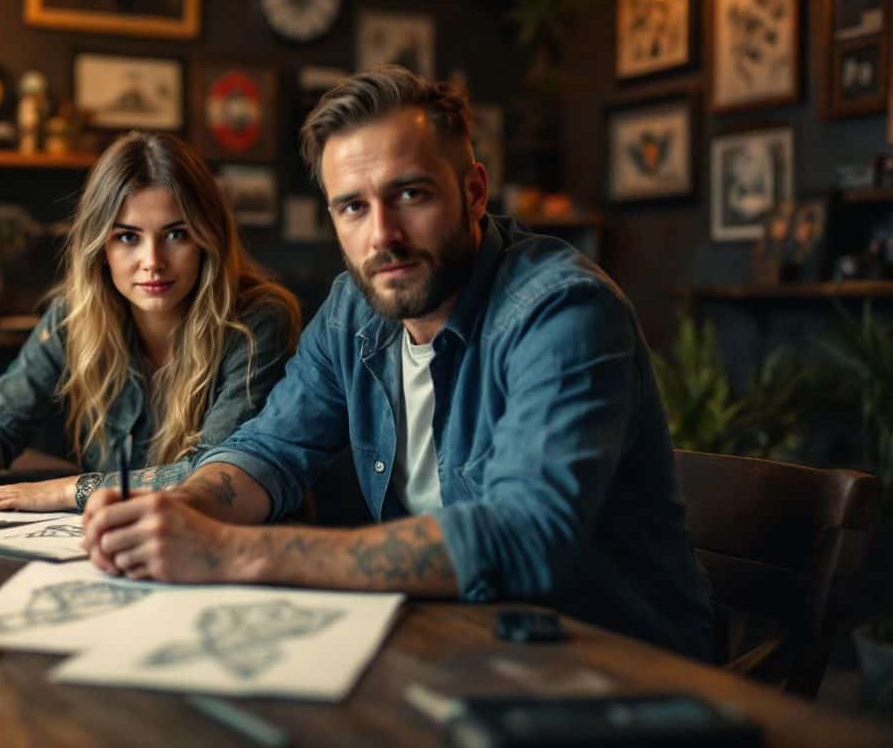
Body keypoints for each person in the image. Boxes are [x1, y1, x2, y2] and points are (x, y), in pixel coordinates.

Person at [81, 67, 713, 660]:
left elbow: (525, 535)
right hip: (459, 643)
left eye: (409, 194)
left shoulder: (562, 310)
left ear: (472, 192)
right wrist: (186, 509)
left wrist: (229, 552)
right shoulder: (353, 310)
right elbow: (271, 450)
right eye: (352, 206)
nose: (382, 235)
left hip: (613, 662)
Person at [0, 131, 299, 514]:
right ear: (99, 246)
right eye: (127, 237)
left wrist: (63, 490)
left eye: (176, 234)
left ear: (207, 239)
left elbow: (217, 474)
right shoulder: (75, 316)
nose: (152, 261)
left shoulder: (258, 322)